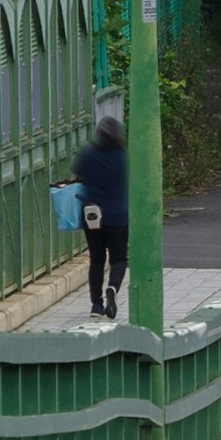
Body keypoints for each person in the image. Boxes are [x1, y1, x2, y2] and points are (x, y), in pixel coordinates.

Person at [73, 97, 131, 320]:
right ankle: (113, 288)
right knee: (118, 258)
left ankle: (96, 306)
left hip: (92, 214)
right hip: (118, 215)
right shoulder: (123, 157)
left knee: (96, 259)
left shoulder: (88, 153)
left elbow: (78, 176)